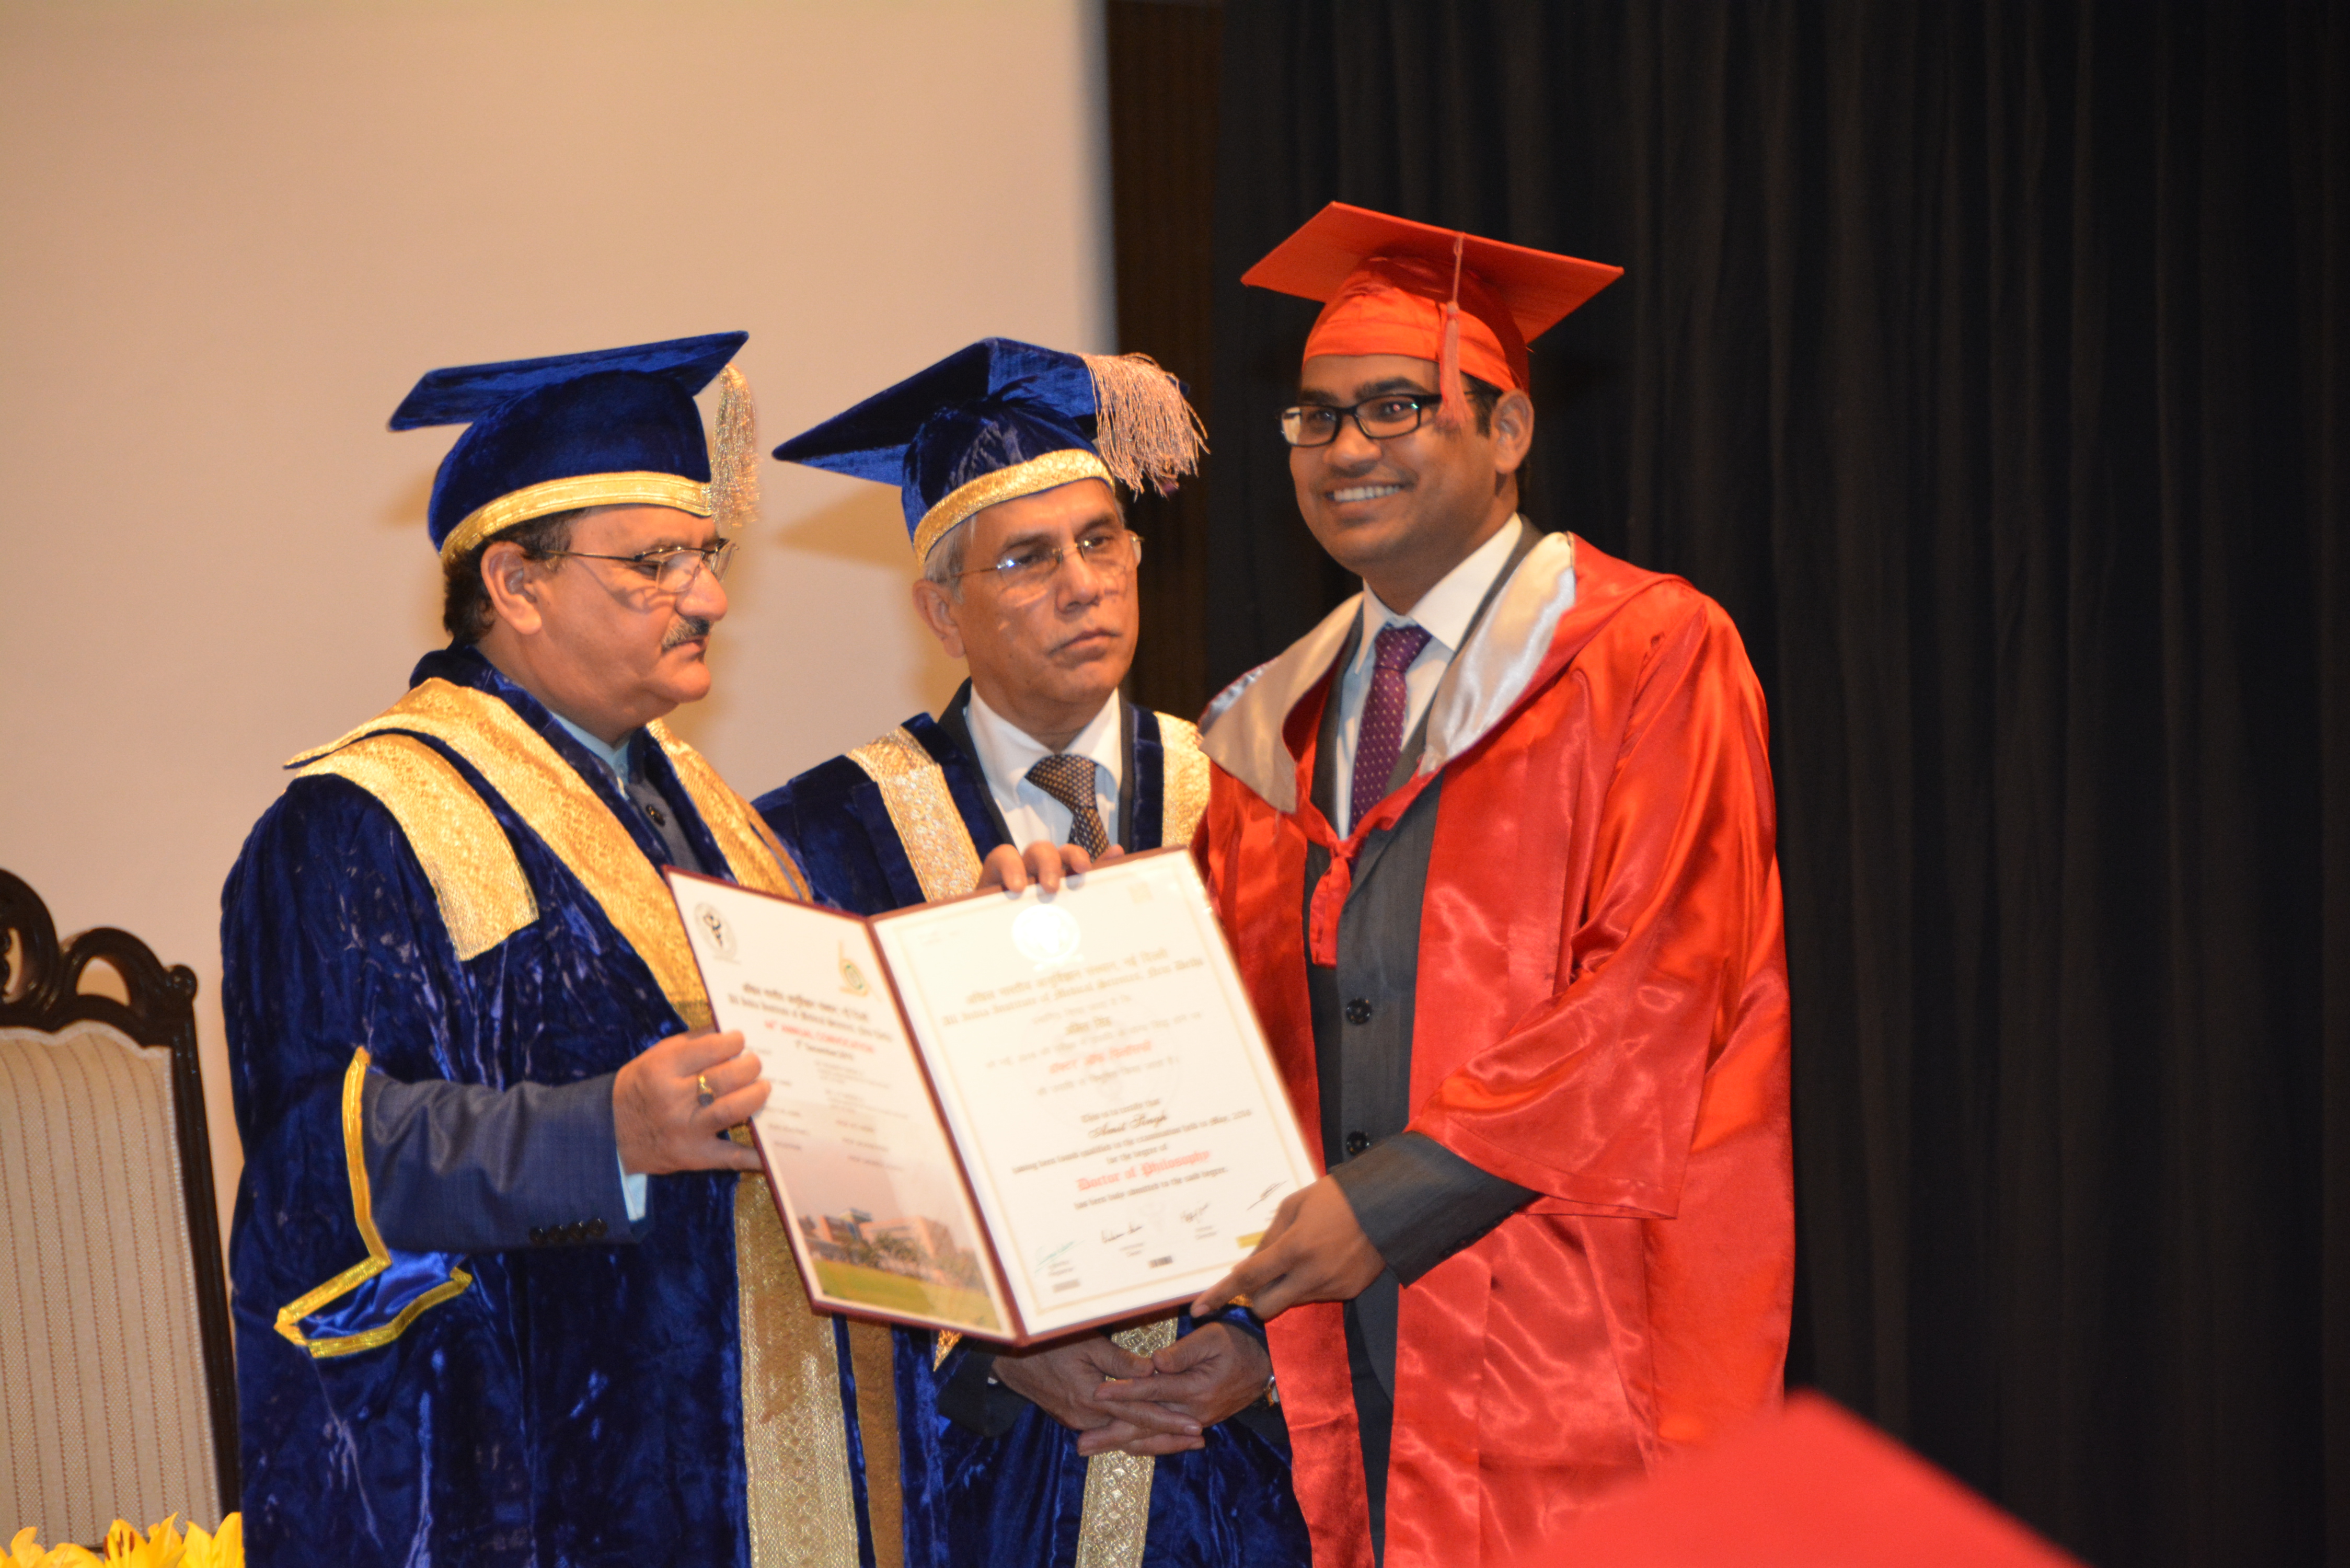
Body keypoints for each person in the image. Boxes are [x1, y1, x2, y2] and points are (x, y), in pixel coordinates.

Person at [221, 333, 897, 1567]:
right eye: (654, 563)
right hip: (552, 1482)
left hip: (765, 1453)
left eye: (706, 556)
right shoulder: (359, 824)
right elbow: (315, 1167)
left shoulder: (714, 812)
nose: (710, 599)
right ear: (516, 583)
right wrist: (606, 1135)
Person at [1186, 204, 1795, 1567]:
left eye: (1396, 407)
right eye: (1315, 418)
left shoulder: (1647, 655)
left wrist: (1385, 1204)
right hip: (1344, 1379)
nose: (1347, 449)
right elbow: (1232, 1042)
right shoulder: (1267, 724)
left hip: (1576, 1344)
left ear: (1507, 430)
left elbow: (1664, 990)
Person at [757, 338, 1311, 1568]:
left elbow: (1343, 1107)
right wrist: (985, 1342)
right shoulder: (819, 840)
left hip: (1243, 1460)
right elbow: (812, 1166)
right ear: (939, 611)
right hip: (976, 1467)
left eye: (1101, 541)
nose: (1082, 586)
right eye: (1026, 558)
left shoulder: (1257, 801)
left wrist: (1270, 1344)